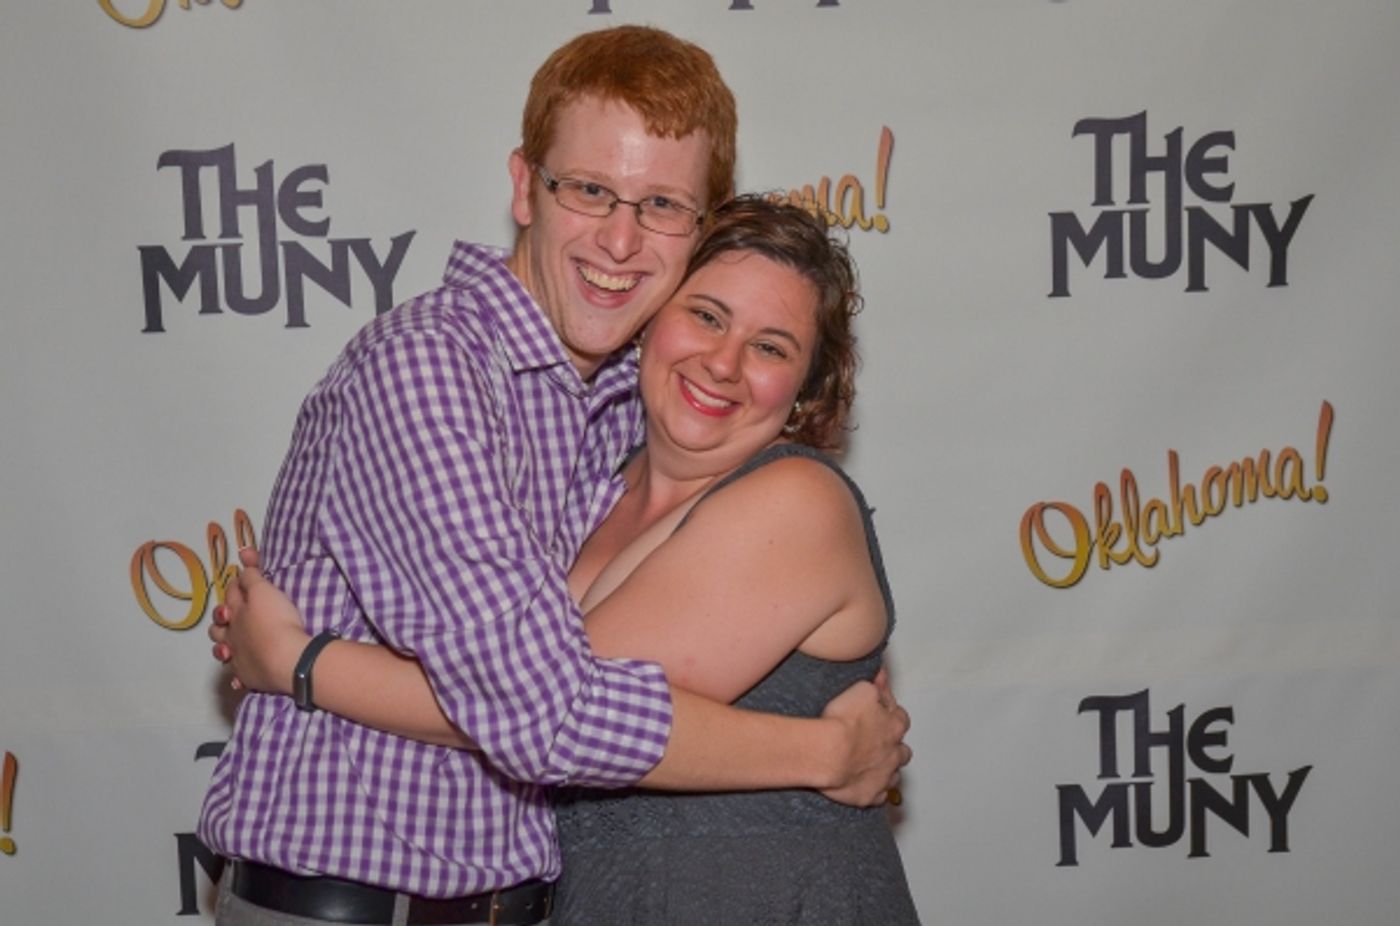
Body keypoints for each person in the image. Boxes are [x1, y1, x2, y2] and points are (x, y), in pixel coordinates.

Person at [198, 25, 910, 926]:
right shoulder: (430, 371)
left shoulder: (613, 402)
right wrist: (820, 753)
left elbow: (538, 683)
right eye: (590, 190)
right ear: (523, 186)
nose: (620, 238)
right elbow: (541, 708)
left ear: (697, 227)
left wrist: (305, 663)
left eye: (661, 206)